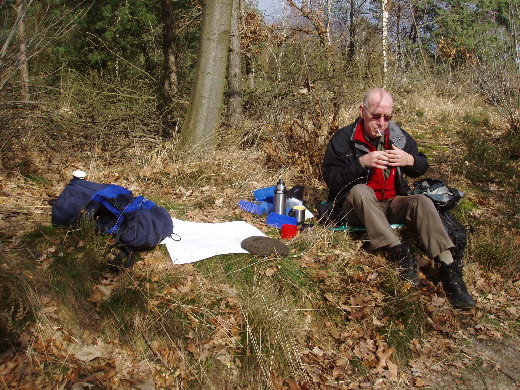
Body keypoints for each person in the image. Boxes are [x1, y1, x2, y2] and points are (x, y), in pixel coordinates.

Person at [321, 88, 476, 309]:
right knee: (361, 191)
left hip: (393, 202)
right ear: (362, 111)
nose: (381, 122)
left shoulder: (398, 136)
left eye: (387, 117)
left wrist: (409, 160)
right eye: (376, 116)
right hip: (357, 206)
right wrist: (361, 163)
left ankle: (449, 270)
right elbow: (331, 179)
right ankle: (398, 251)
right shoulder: (343, 138)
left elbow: (422, 166)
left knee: (422, 201)